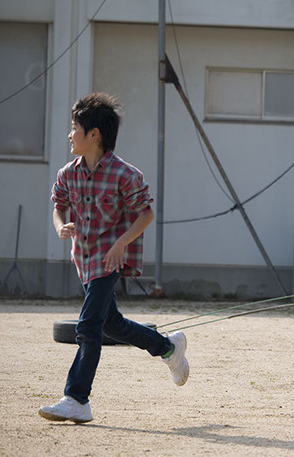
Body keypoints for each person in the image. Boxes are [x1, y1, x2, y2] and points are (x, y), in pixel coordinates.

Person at [39, 93, 189, 424]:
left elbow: (145, 214)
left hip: (109, 260)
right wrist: (61, 226)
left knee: (88, 325)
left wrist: (121, 244)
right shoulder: (68, 173)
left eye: (74, 128)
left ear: (94, 134)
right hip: (84, 259)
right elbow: (59, 206)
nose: (69, 134)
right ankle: (168, 348)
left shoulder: (125, 174)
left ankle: (77, 398)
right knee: (111, 323)